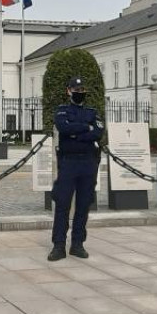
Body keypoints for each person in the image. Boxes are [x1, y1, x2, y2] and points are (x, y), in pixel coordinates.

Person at [49, 77, 104, 261]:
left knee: (83, 205)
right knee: (62, 204)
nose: (79, 93)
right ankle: (58, 245)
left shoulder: (92, 111)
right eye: (76, 89)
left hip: (88, 163)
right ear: (68, 91)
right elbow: (63, 129)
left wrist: (76, 134)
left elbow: (98, 132)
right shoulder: (62, 111)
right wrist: (85, 129)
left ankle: (77, 244)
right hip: (68, 163)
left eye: (82, 89)